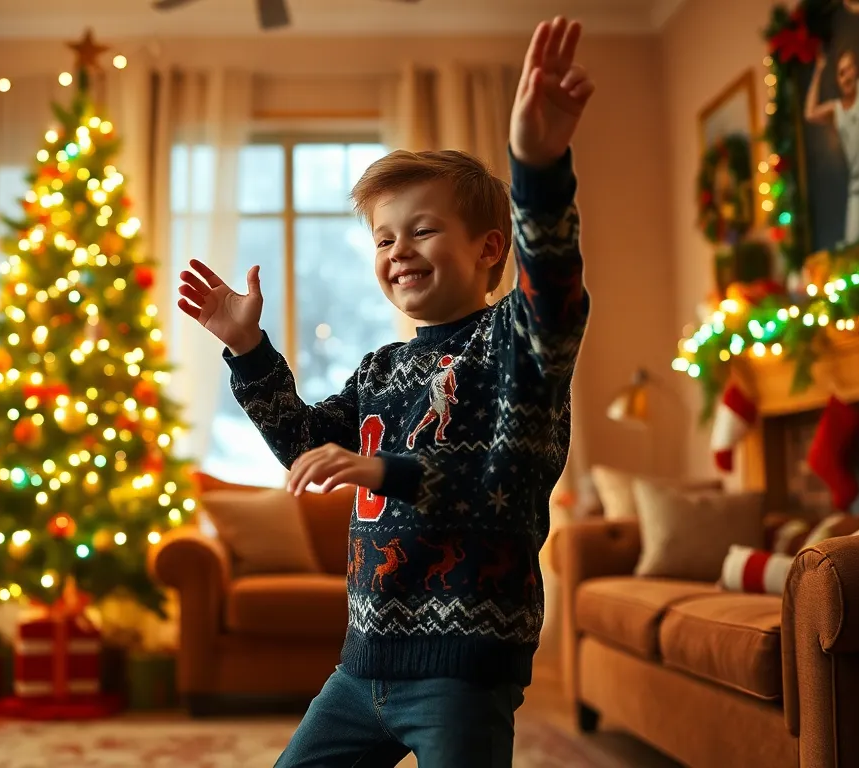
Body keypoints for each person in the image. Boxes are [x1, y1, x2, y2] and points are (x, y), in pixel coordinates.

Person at [176, 15, 593, 768]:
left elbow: (496, 477)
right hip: (361, 664)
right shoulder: (380, 370)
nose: (398, 250)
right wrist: (248, 351)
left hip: (462, 667)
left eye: (421, 231)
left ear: (487, 248)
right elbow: (306, 445)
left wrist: (536, 162)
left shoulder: (515, 345)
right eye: (383, 238)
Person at [806, 0, 859, 245]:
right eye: (841, 72)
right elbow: (810, 113)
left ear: (856, 70)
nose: (846, 76)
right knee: (853, 243)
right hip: (858, 185)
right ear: (838, 77)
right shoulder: (835, 109)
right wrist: (819, 70)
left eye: (849, 69)